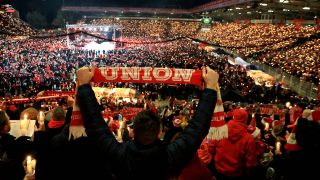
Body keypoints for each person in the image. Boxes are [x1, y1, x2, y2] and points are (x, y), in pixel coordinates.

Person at [75, 66, 219, 179]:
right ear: (159, 132)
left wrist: (84, 86)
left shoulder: (119, 155)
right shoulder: (171, 157)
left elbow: (96, 127)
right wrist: (211, 88)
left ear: (133, 132)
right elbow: (197, 128)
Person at [208, 108, 257, 180]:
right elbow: (250, 162)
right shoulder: (249, 139)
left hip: (218, 171)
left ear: (233, 117)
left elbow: (210, 148)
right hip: (236, 173)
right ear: (245, 120)